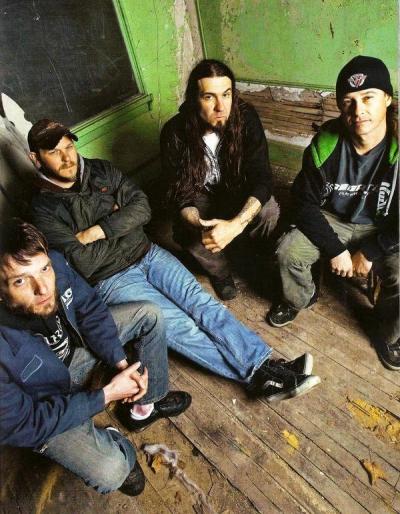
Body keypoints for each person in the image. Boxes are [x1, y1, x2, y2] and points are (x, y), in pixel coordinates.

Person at [28, 118, 321, 402]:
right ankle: (260, 377)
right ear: (36, 158)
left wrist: (96, 231)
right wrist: (122, 219)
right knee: (180, 325)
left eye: (69, 147)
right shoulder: (42, 208)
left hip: (148, 252)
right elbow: (83, 261)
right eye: (54, 152)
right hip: (111, 278)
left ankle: (263, 365)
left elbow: (142, 208)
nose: (67, 158)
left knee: (203, 304)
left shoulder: (101, 170)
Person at [0, 219, 191, 496]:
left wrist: (121, 363)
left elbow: (89, 308)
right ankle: (115, 442)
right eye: (20, 280)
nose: (43, 288)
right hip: (43, 402)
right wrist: (106, 395)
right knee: (112, 471)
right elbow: (23, 423)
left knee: (148, 314)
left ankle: (145, 405)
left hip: (74, 358)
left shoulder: (55, 262)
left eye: (43, 269)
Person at [267, 56, 399, 371]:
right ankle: (301, 297)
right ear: (340, 106)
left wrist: (371, 250)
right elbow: (303, 203)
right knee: (287, 253)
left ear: (387, 99)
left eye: (368, 98)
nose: (358, 110)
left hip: (383, 226)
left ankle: (388, 332)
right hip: (333, 220)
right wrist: (336, 250)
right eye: (348, 101)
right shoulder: (325, 144)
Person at [160, 59, 280, 300]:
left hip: (237, 188)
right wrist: (199, 224)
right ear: (194, 99)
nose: (221, 107)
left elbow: (262, 177)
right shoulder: (174, 132)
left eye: (226, 94)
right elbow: (179, 194)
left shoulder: (245, 117)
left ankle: (256, 258)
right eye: (209, 97)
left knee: (269, 211)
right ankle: (221, 272)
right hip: (201, 194)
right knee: (186, 233)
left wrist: (236, 224)